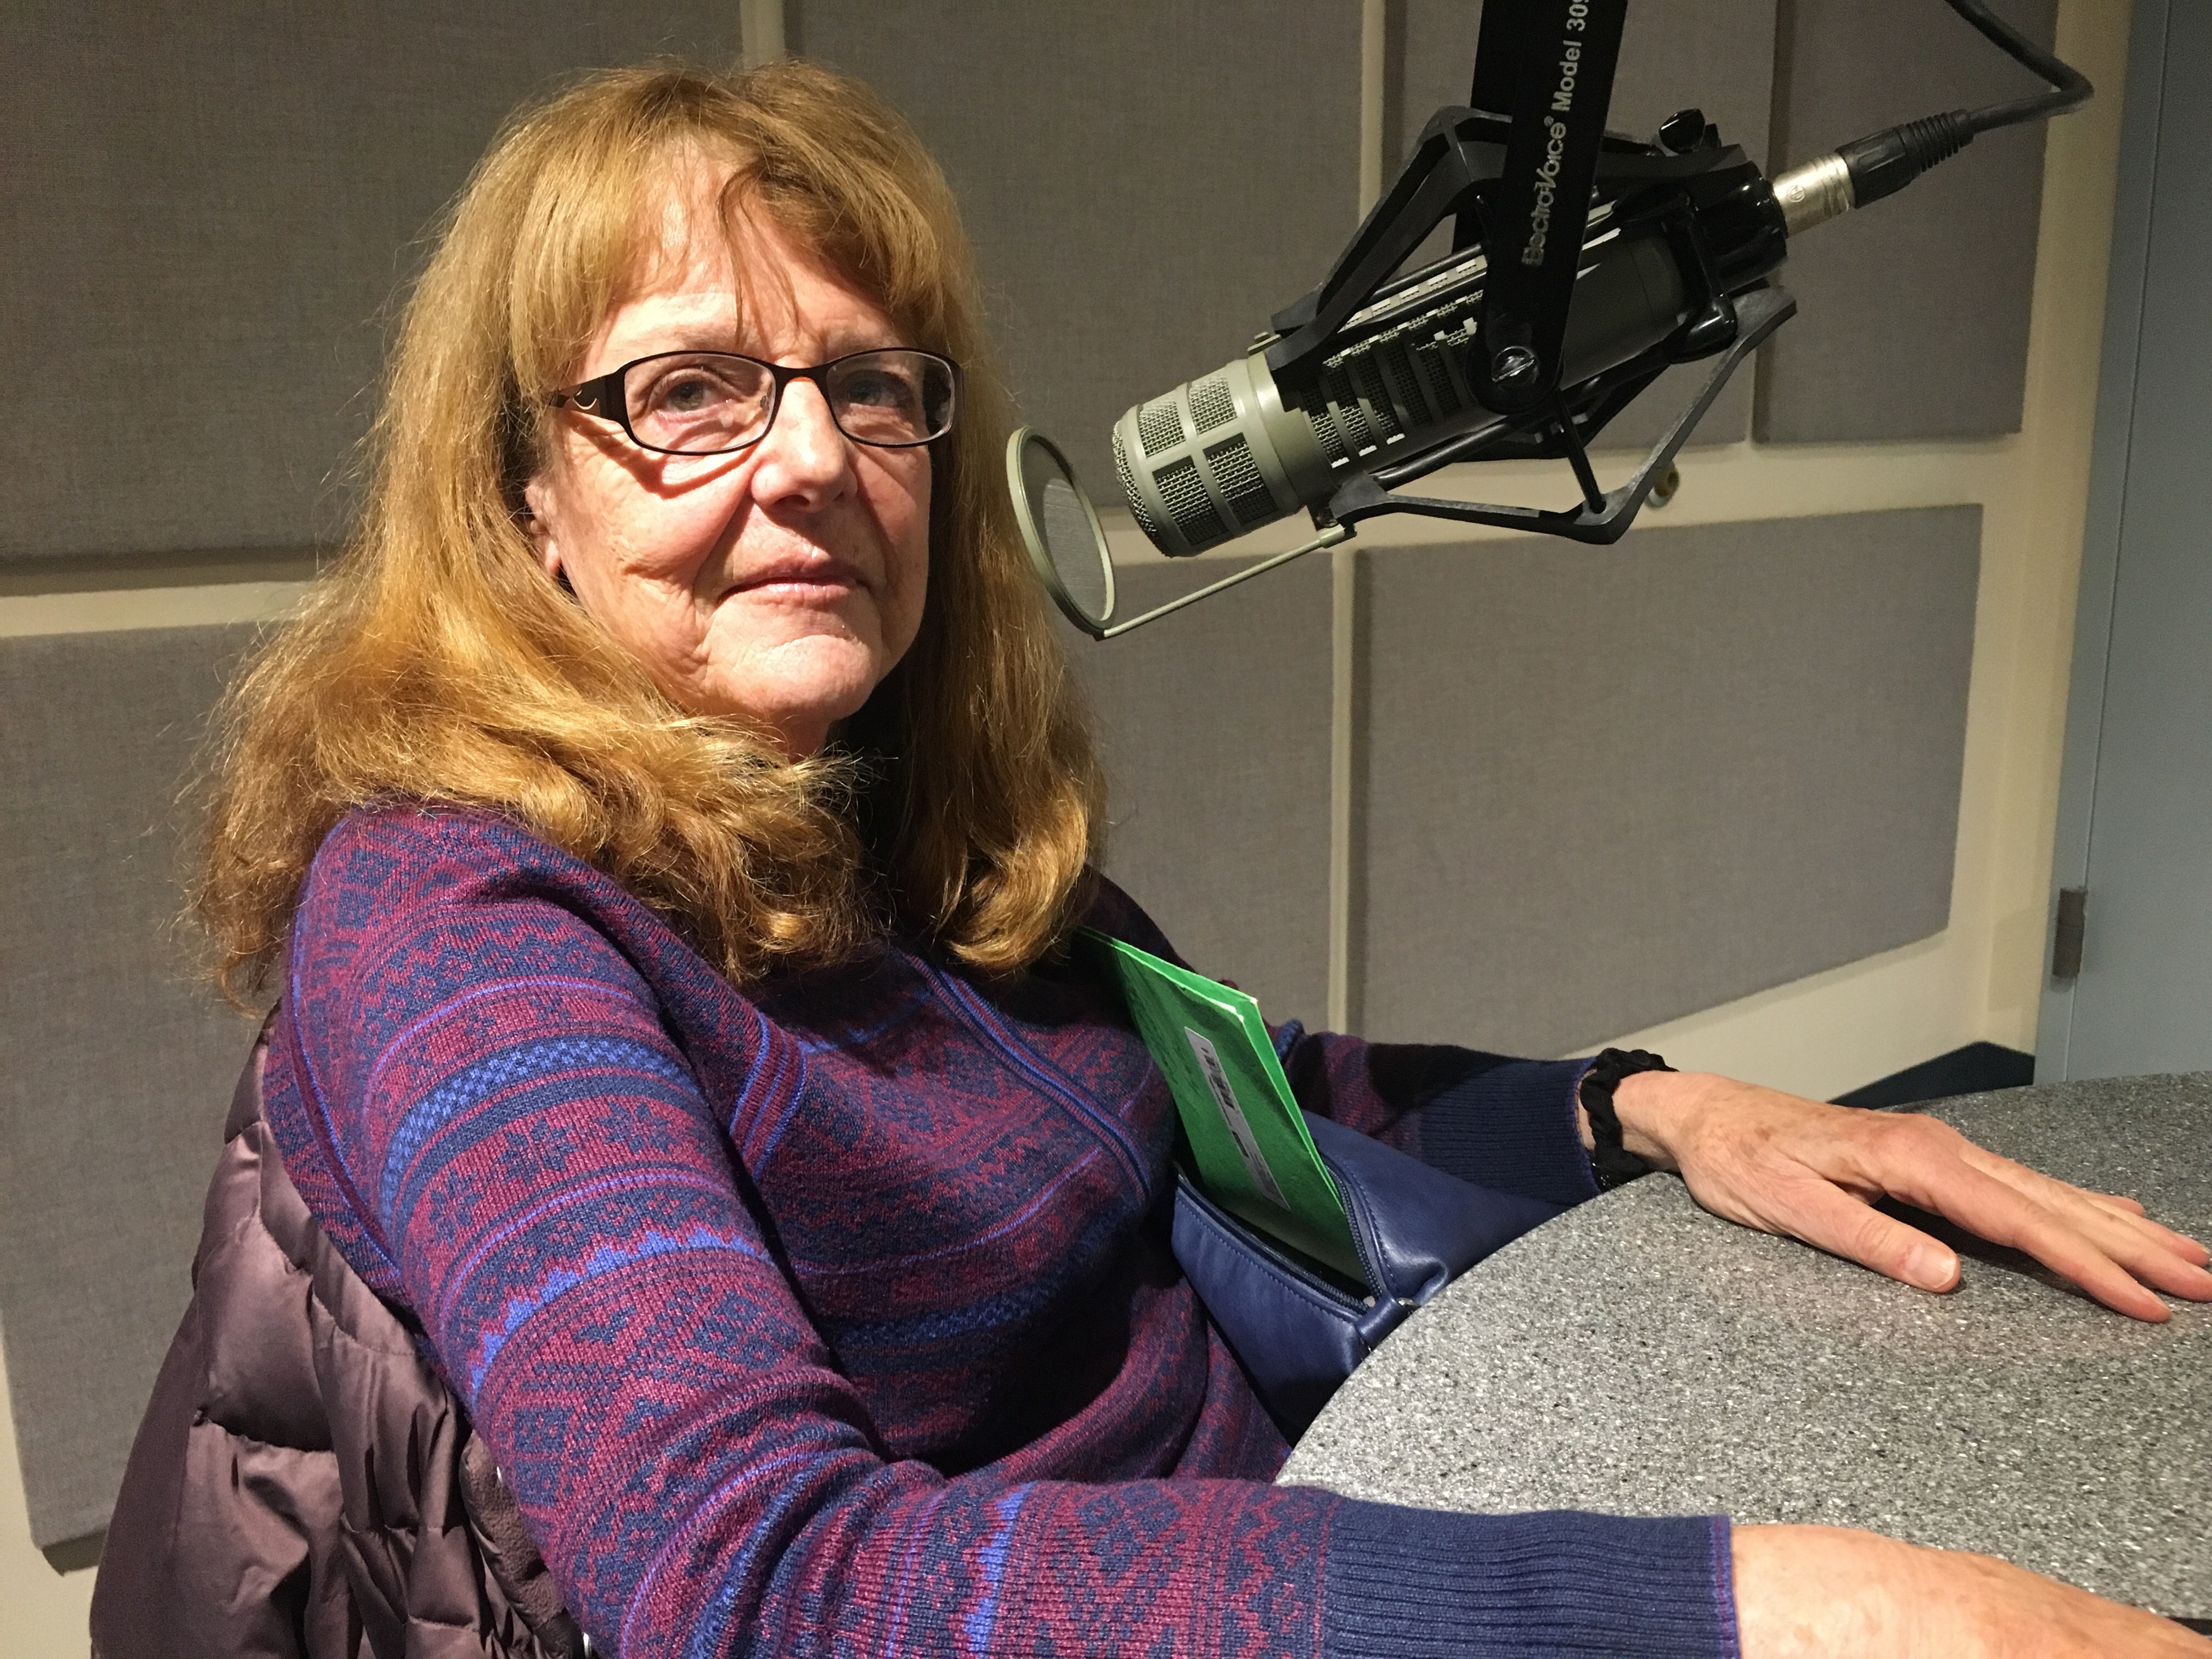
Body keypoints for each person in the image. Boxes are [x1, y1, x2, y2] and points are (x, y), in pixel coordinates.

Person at [93, 60, 2211, 1659]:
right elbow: (770, 1591)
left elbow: (1255, 1093)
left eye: (869, 388)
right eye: (691, 393)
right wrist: (1744, 1608)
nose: (815, 456)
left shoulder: (886, 813)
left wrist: (1647, 1107)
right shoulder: (456, 922)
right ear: (524, 500)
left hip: (1307, 1522)